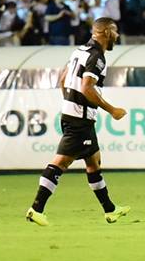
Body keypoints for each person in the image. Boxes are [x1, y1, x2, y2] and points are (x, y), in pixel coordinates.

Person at [26, 18, 131, 226]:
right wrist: (112, 110)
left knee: (94, 162)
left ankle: (110, 210)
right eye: (115, 31)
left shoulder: (79, 51)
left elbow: (63, 79)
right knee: (60, 163)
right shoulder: (97, 56)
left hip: (75, 115)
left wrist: (69, 103)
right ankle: (36, 209)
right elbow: (86, 87)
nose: (117, 36)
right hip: (79, 120)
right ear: (106, 32)